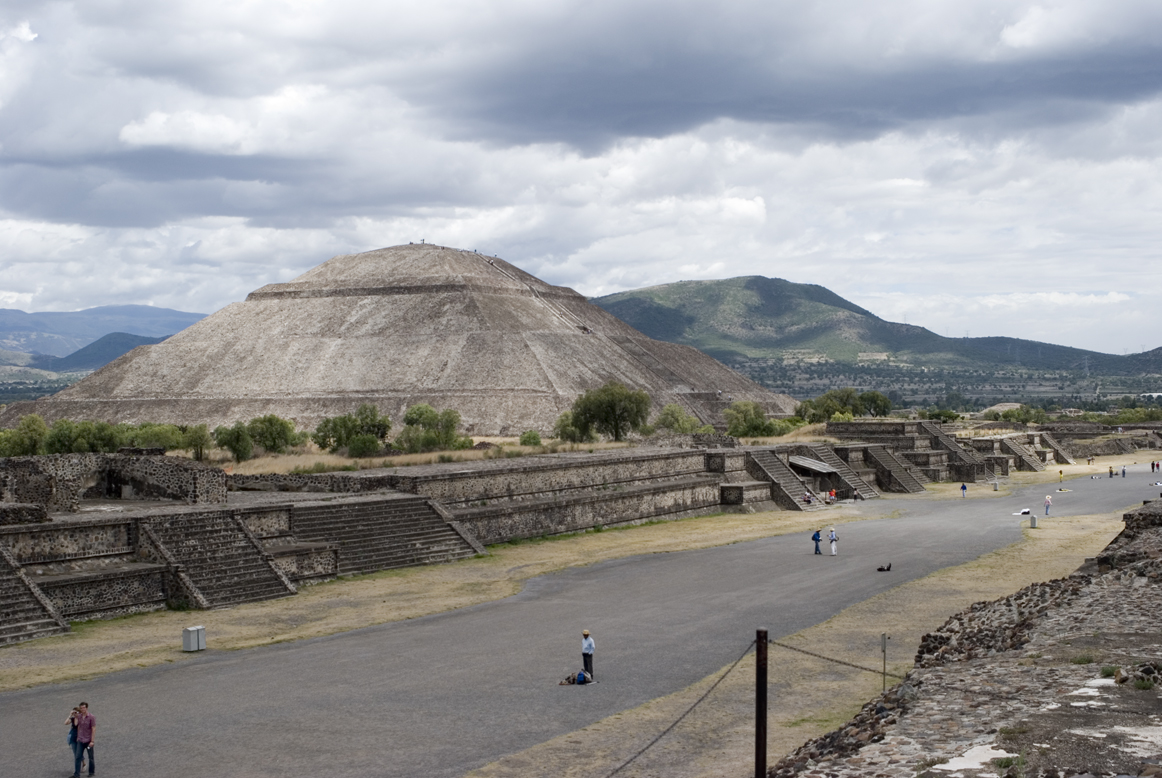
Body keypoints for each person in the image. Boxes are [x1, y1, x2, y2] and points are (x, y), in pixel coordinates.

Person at [68, 702, 95, 777]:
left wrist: (92, 741)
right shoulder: (79, 717)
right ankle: (76, 774)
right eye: (81, 708)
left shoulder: (91, 717)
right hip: (80, 740)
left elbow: (93, 729)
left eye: (84, 707)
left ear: (86, 708)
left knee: (91, 757)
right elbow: (77, 726)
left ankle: (91, 772)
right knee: (77, 757)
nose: (83, 709)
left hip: (88, 741)